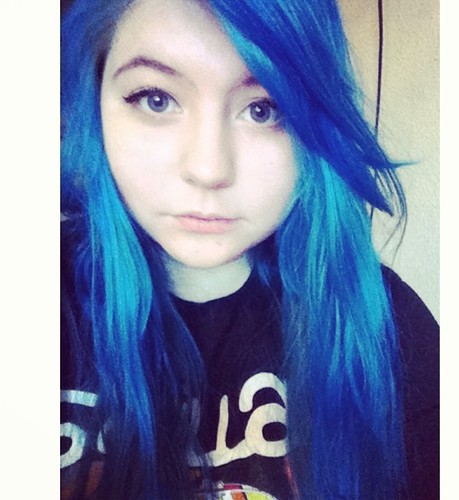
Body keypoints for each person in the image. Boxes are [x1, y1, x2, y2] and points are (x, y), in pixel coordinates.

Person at [60, 0, 439, 498]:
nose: (209, 169)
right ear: (95, 102)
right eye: (156, 99)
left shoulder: (385, 324)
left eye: (264, 109)